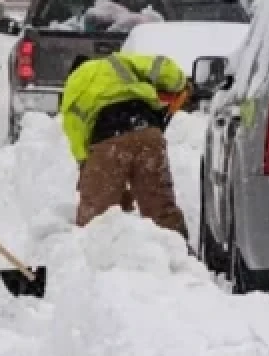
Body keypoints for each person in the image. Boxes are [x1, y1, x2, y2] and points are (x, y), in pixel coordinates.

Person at [61, 52, 191, 238]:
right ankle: (179, 259)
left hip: (108, 141)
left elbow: (74, 129)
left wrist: (85, 162)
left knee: (96, 217)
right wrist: (179, 83)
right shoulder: (119, 62)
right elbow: (164, 68)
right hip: (148, 133)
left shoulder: (74, 83)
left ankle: (95, 260)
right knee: (160, 208)